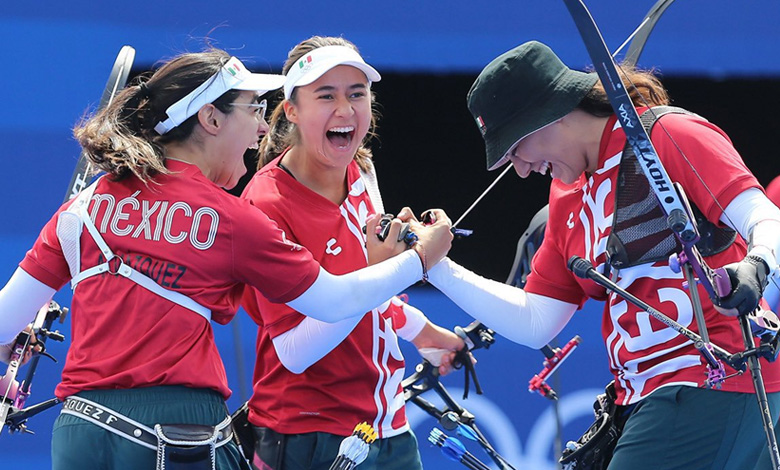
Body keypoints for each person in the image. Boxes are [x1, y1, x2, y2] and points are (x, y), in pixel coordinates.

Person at [0, 48, 453, 470]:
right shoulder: (232, 218)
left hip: (80, 429)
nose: (262, 128)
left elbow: (3, 323)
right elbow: (332, 302)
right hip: (177, 433)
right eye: (254, 109)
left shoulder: (81, 208)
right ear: (211, 119)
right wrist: (418, 259)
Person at [426, 41, 780, 469]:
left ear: (546, 117)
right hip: (648, 397)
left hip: (712, 381)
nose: (519, 169)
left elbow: (763, 215)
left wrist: (756, 264)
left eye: (515, 150)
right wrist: (436, 267)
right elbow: (536, 320)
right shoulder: (566, 197)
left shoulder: (668, 135)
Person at [239, 36, 465, 470]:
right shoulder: (265, 204)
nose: (345, 110)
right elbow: (294, 350)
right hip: (308, 434)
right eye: (326, 96)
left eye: (356, 94)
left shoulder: (362, 167)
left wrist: (422, 331)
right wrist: (407, 264)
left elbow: (375, 294)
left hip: (387, 427)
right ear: (291, 110)